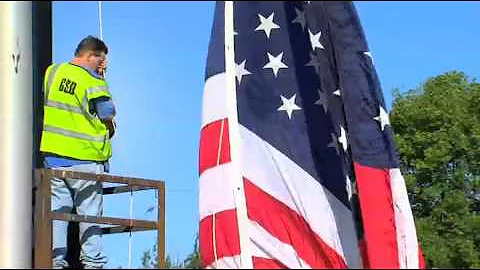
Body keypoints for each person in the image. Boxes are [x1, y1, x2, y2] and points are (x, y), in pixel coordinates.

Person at [40, 35, 116, 269]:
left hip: (54, 159)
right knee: (90, 217)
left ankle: (55, 263)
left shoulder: (52, 72)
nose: (102, 65)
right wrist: (101, 78)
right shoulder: (93, 81)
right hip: (86, 159)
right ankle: (93, 264)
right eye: (100, 60)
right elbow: (107, 114)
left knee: (58, 216)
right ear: (91, 55)